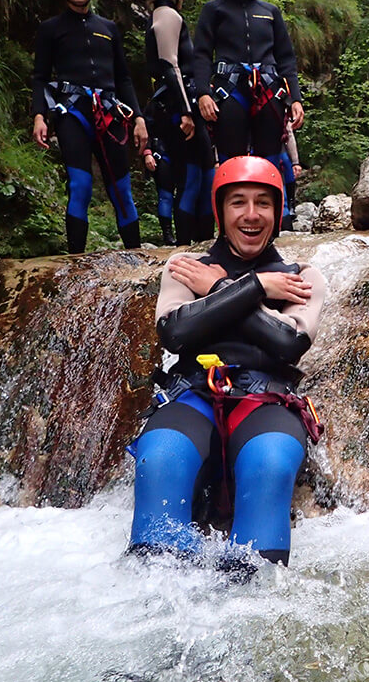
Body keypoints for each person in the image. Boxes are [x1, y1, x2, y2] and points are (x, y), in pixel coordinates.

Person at [128, 155, 326, 572]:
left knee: (270, 463)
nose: (251, 215)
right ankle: (155, 595)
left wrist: (221, 287)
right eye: (238, 202)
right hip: (193, 395)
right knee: (160, 458)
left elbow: (287, 343)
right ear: (220, 211)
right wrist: (257, 288)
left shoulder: (302, 277)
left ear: (278, 211)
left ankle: (251, 598)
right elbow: (174, 333)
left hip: (267, 402)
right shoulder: (185, 269)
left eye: (263, 203)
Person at [31, 0, 148, 253]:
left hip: (109, 113)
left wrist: (138, 118)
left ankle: (137, 258)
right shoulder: (51, 29)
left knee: (121, 190)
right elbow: (41, 77)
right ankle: (76, 262)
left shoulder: (108, 28)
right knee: (80, 186)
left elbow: (123, 77)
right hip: (73, 113)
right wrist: (39, 116)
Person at [193, 0, 305, 169]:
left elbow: (286, 58)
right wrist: (203, 93)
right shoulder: (214, 10)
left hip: (268, 91)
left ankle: (272, 193)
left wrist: (295, 98)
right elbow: (201, 54)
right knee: (231, 163)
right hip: (230, 91)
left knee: (269, 163)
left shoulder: (270, 12)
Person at [143, 0, 216, 246]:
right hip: (179, 111)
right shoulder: (168, 16)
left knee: (201, 176)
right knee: (194, 179)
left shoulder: (159, 16)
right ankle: (190, 245)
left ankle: (200, 242)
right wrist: (187, 112)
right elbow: (170, 66)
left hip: (176, 107)